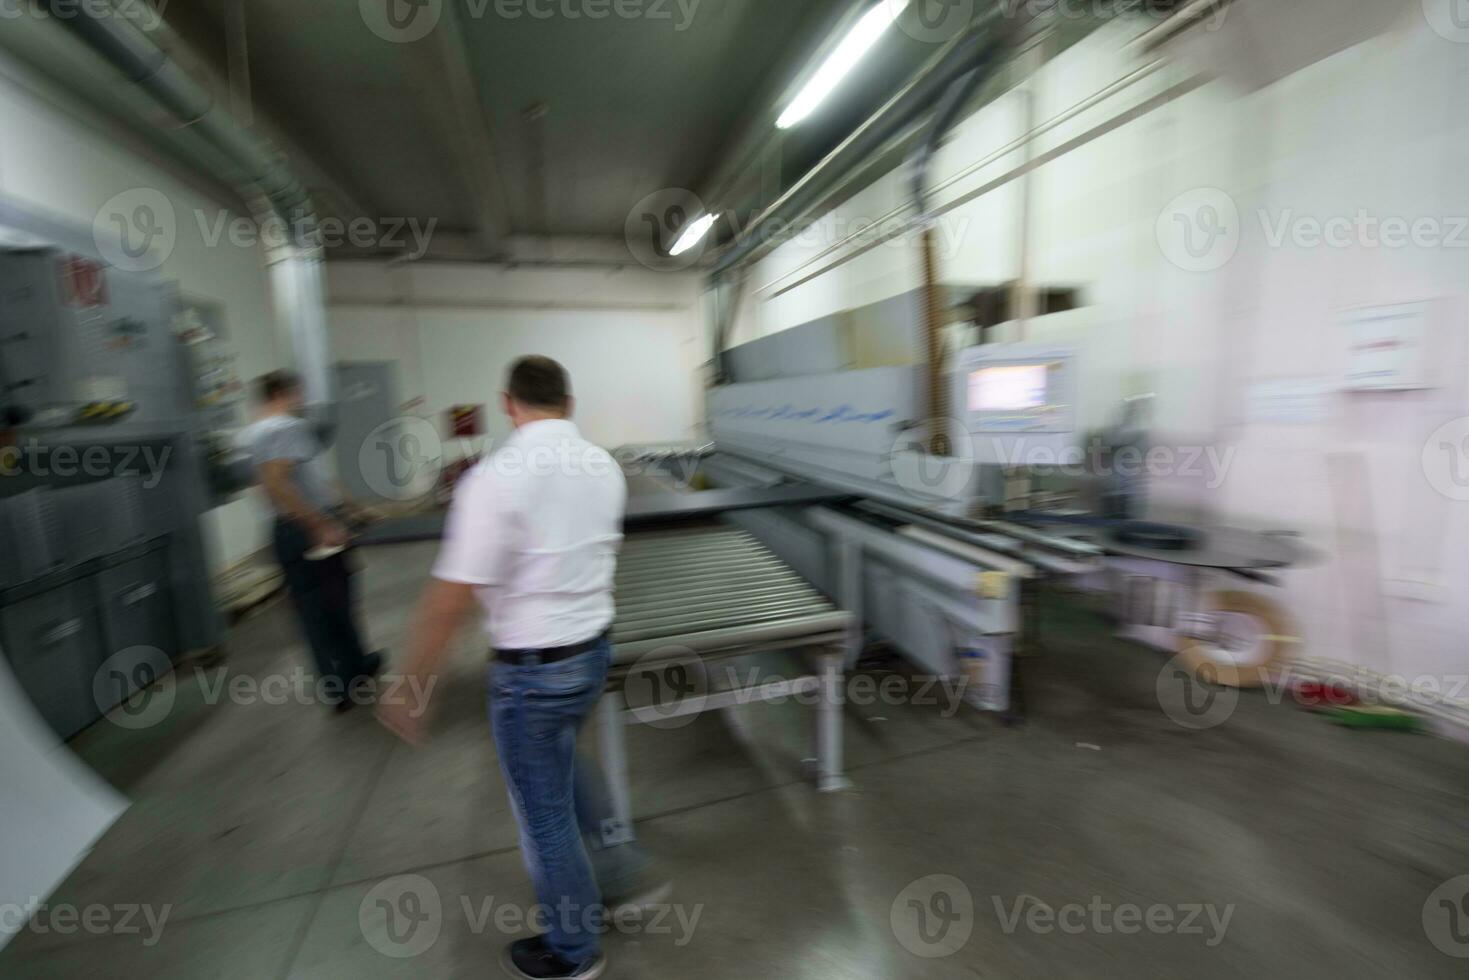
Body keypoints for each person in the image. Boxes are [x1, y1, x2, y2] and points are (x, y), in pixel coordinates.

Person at [377, 356, 655, 980]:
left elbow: (450, 598)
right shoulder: (604, 467)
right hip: (592, 654)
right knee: (564, 759)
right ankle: (620, 872)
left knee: (543, 814)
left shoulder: (494, 479)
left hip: (532, 672)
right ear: (569, 402)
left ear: (508, 404)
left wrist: (412, 683)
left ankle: (573, 950)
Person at [241, 370, 382, 711]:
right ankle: (346, 678)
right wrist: (319, 524)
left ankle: (354, 668)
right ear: (282, 393)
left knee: (314, 608)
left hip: (284, 529)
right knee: (333, 603)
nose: (301, 399)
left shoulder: (251, 434)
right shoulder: (286, 428)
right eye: (298, 392)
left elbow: (314, 479)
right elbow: (277, 483)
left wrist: (352, 508)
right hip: (305, 529)